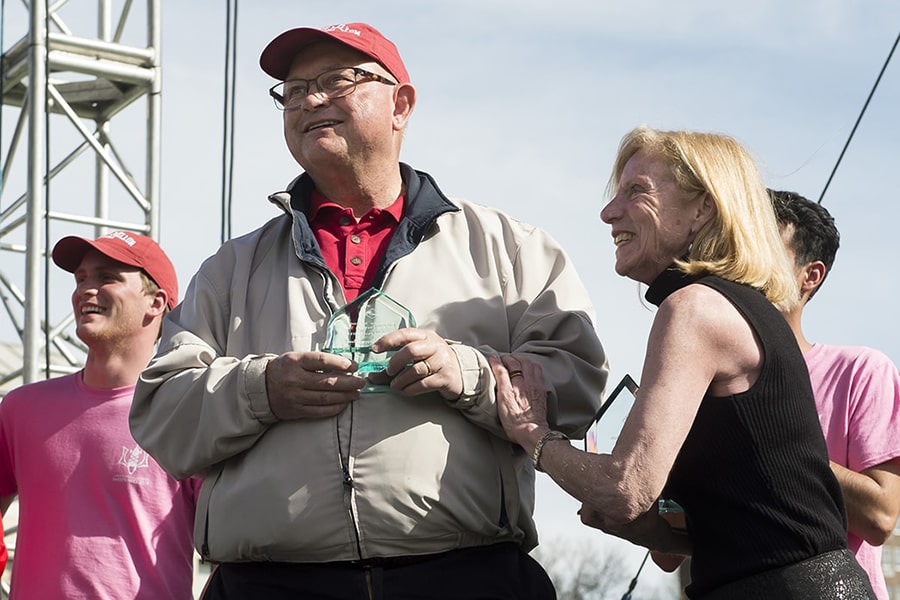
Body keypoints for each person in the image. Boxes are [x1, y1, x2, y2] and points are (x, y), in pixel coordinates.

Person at [129, 21, 608, 600]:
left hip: (467, 578)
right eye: (294, 90)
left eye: (335, 81)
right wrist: (262, 389)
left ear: (401, 104)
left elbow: (577, 387)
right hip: (268, 584)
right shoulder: (231, 269)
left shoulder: (510, 248)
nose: (309, 100)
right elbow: (160, 416)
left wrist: (471, 375)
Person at [489, 125, 876, 599]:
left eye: (636, 191)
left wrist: (532, 434)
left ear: (703, 208)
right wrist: (631, 523)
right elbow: (727, 530)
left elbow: (626, 487)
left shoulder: (695, 308)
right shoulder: (739, 309)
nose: (609, 212)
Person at [0, 231, 197, 599]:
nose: (85, 290)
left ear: (155, 303)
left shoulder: (187, 414)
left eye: (106, 277)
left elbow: (229, 555)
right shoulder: (20, 409)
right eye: (81, 279)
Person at [771, 189, 900, 600]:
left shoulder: (862, 371)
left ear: (810, 276)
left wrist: (771, 443)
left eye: (766, 251)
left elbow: (880, 515)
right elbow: (668, 552)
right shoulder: (708, 382)